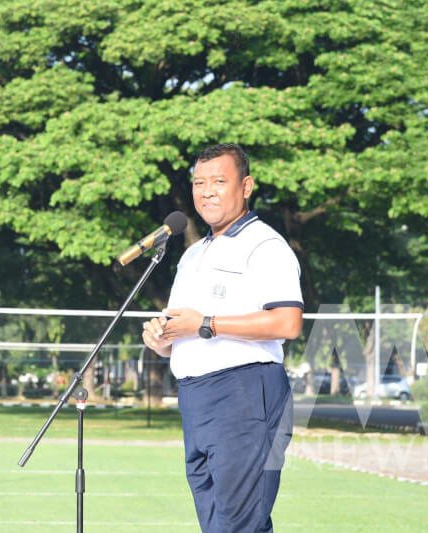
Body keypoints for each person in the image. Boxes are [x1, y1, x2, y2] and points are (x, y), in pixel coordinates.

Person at [142, 143, 303, 532]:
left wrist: (207, 323)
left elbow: (287, 322)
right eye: (199, 182)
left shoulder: (265, 245)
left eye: (219, 181)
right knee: (217, 521)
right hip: (196, 397)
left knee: (237, 523)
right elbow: (188, 327)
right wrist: (163, 339)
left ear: (245, 186)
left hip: (245, 393)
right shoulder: (193, 255)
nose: (207, 191)